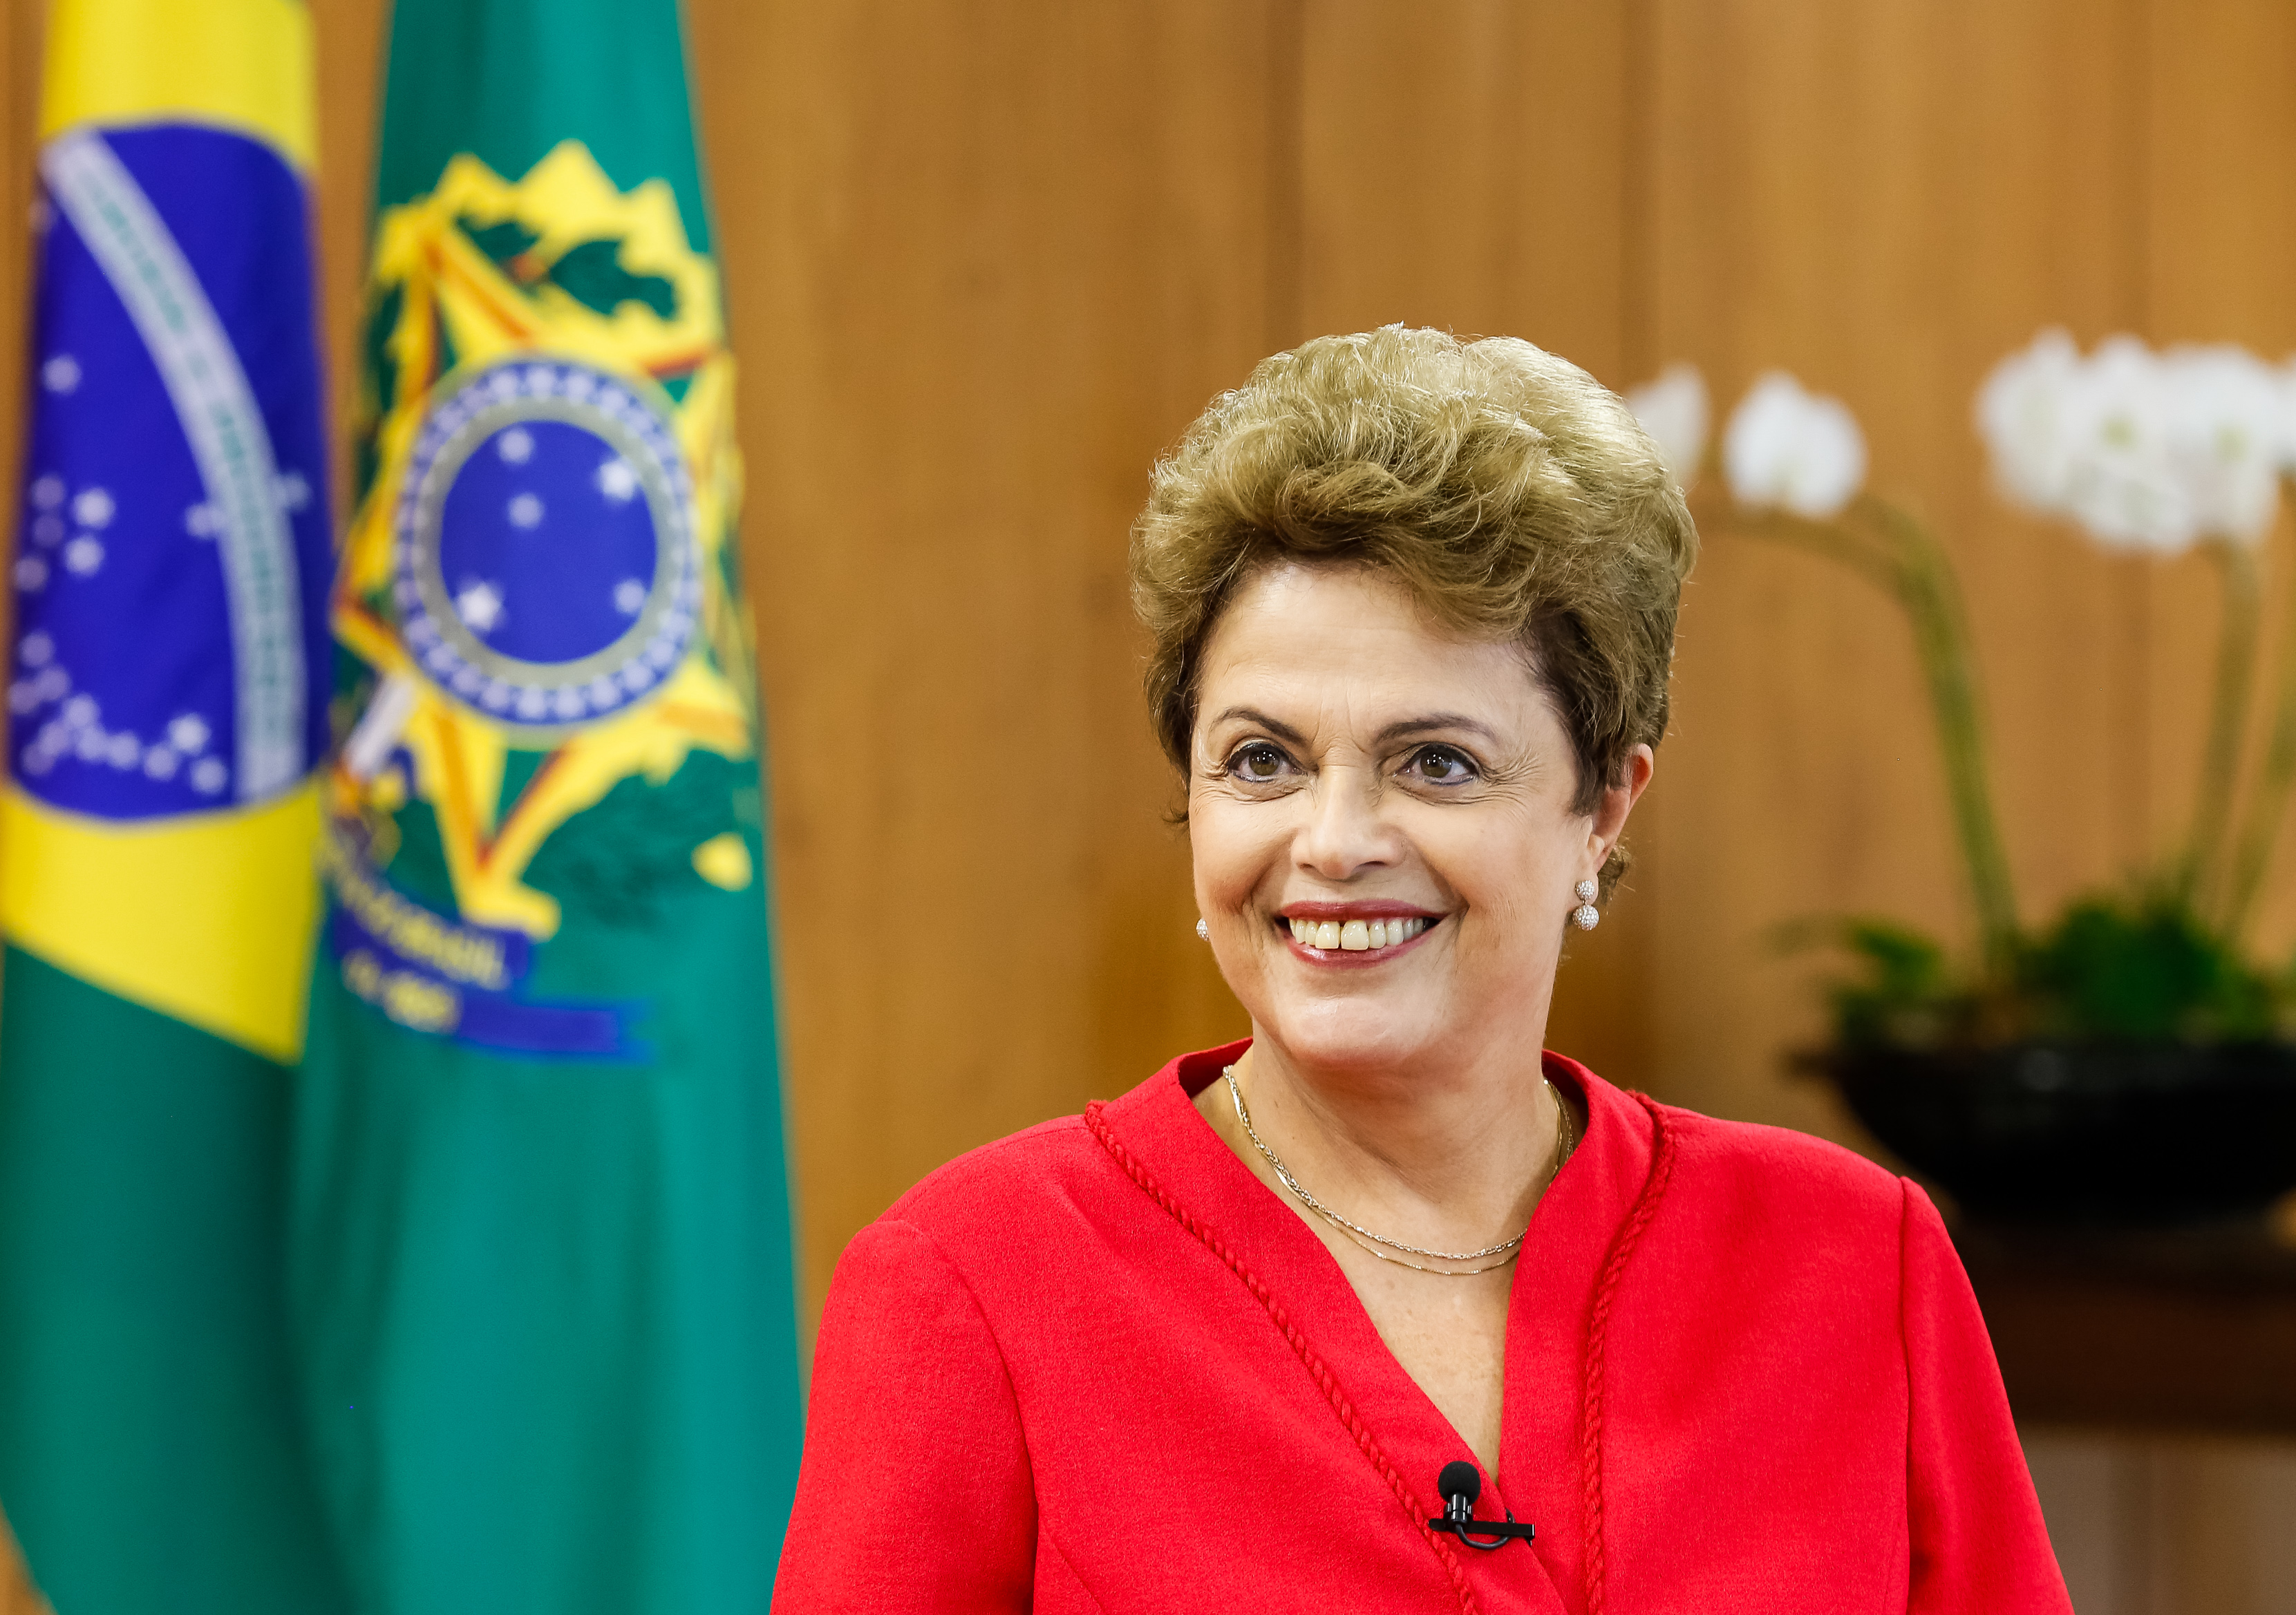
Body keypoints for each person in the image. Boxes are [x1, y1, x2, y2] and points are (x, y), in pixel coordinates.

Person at [771, 328, 2069, 1613]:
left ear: (1603, 806)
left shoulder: (1858, 1267)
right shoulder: (972, 1284)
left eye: (1435, 762)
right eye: (1262, 760)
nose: (1333, 842)